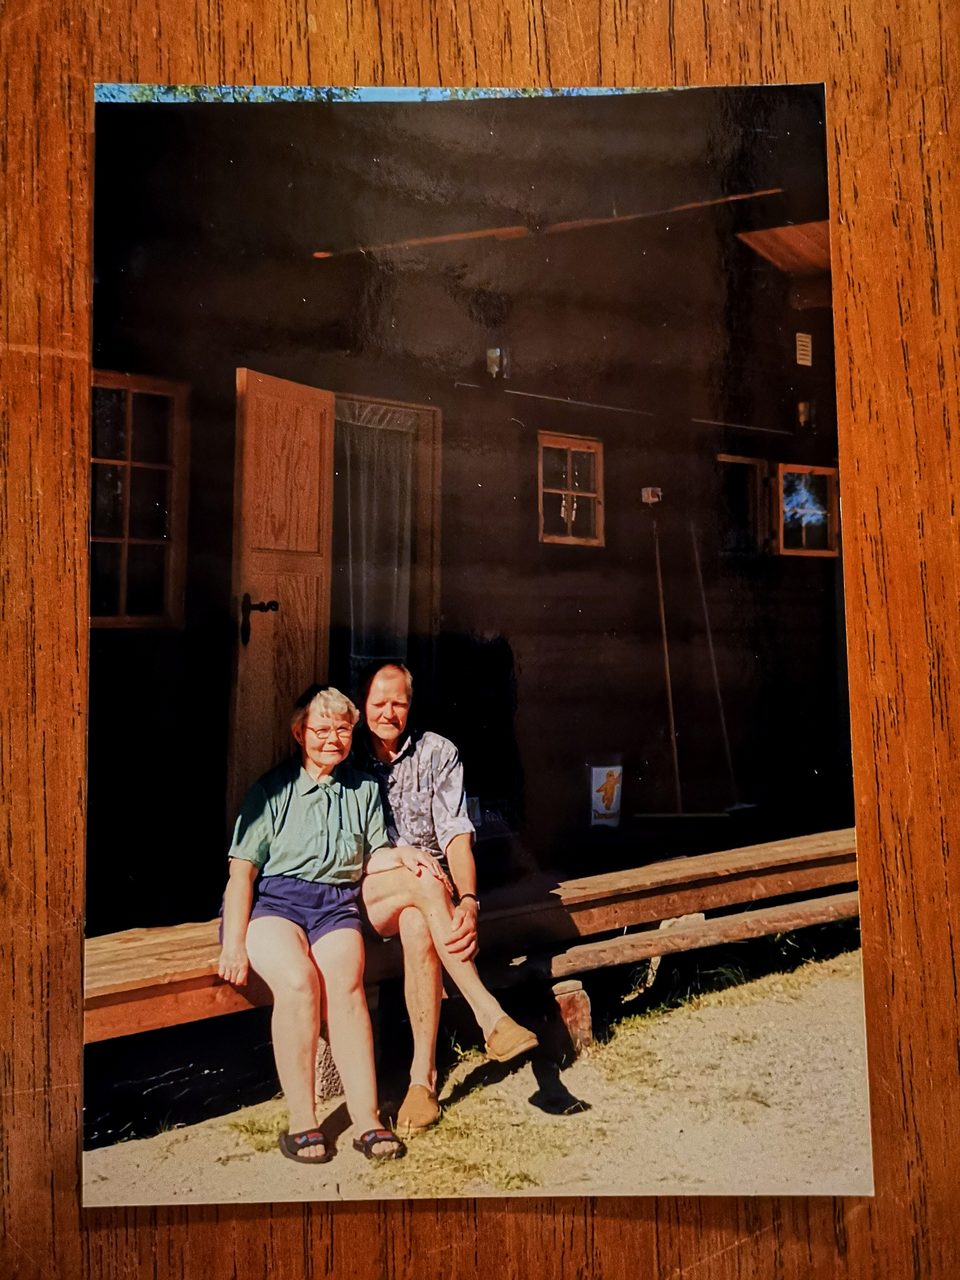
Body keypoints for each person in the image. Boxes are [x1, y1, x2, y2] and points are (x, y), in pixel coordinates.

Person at [217, 684, 409, 1165]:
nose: (332, 739)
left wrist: (409, 861)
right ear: (299, 733)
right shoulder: (271, 791)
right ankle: (303, 1120)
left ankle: (366, 1119)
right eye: (321, 729)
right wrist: (234, 946)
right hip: (275, 904)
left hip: (335, 905)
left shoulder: (364, 789)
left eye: (343, 729)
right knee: (301, 983)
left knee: (345, 984)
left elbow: (376, 856)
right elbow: (242, 873)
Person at [357, 662, 538, 1135]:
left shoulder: (439, 753)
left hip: (427, 897)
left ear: (410, 704)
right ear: (362, 706)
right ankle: (488, 1013)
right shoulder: (347, 753)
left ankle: (423, 1082)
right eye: (378, 703)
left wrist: (471, 900)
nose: (388, 713)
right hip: (368, 890)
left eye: (397, 703)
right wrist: (402, 854)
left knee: (420, 919)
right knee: (424, 884)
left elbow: (457, 833)